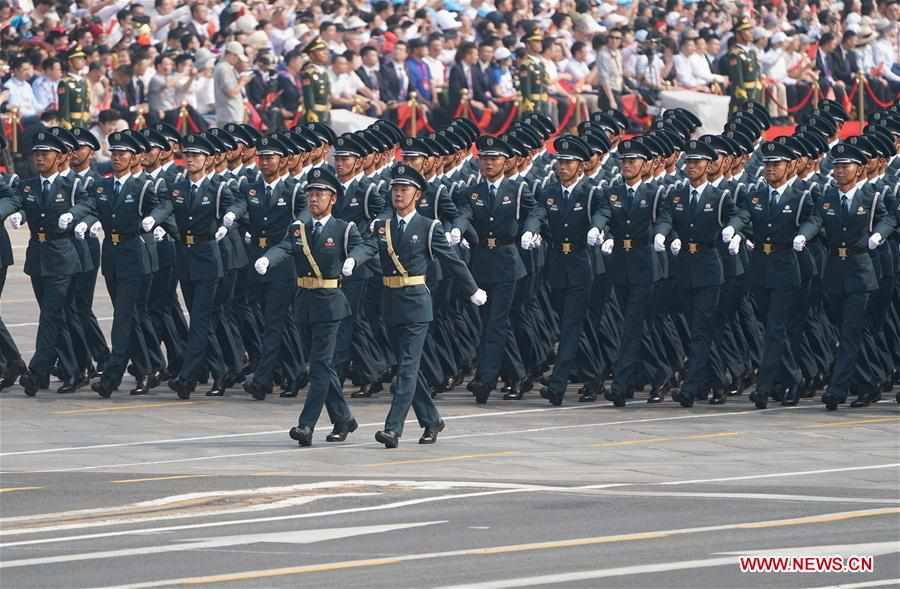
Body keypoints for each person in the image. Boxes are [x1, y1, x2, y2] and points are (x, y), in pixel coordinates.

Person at [355, 164, 486, 448]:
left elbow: (452, 261)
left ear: (417, 194)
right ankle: (431, 420)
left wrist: (472, 289)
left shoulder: (429, 227)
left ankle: (393, 428)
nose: (398, 194)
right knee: (405, 367)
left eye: (404, 190)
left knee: (406, 368)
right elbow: (367, 247)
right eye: (395, 189)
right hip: (390, 304)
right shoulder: (382, 226)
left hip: (416, 305)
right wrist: (353, 259)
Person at [255, 167, 367, 446]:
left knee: (318, 367)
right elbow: (284, 248)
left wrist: (353, 260)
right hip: (304, 303)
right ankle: (343, 419)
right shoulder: (299, 229)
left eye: (320, 194)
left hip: (330, 304)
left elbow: (363, 247)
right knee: (322, 366)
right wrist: (268, 259)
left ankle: (306, 425)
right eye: (311, 194)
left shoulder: (344, 229)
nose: (314, 199)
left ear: (332, 199)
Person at [796, 142, 894, 410]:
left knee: (851, 333)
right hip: (835, 273)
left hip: (861, 273)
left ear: (859, 169)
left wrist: (878, 234)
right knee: (848, 332)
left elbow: (889, 218)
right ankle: (870, 381)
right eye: (836, 166)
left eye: (845, 166)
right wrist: (803, 235)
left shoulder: (871, 197)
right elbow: (816, 219)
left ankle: (837, 391)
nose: (839, 171)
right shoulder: (828, 197)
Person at [0, 132, 92, 396]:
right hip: (39, 257)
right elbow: (15, 201)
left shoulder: (72, 184)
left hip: (63, 256)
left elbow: (90, 200)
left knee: (52, 316)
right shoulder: (29, 185)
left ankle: (38, 371)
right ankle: (74, 368)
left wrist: (74, 216)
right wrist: (16, 214)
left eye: (46, 154)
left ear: (61, 157)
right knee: (57, 317)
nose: (40, 158)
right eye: (37, 154)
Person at [522, 135, 610, 406]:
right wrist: (530, 230)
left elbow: (603, 211)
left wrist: (597, 228)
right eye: (560, 162)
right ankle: (594, 374)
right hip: (558, 265)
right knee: (574, 325)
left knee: (570, 327)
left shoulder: (592, 190)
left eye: (568, 162)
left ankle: (557, 386)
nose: (562, 167)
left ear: (580, 166)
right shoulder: (550, 191)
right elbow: (538, 213)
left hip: (583, 265)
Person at [87, 132, 171, 397]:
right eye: (113, 153)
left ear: (135, 158)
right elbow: (90, 206)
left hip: (136, 257)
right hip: (112, 256)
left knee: (123, 319)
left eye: (122, 154)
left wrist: (153, 220)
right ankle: (150, 367)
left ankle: (111, 379)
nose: (116, 158)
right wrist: (83, 218)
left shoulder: (145, 185)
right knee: (133, 317)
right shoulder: (104, 185)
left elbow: (165, 205)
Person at [166, 133, 243, 399]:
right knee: (201, 320)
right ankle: (220, 370)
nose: (190, 160)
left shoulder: (218, 187)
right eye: (187, 155)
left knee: (199, 319)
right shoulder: (179, 187)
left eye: (196, 156)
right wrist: (158, 223)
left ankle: (186, 378)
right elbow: (166, 208)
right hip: (184, 257)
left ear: (207, 159)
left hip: (208, 258)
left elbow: (238, 203)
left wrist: (230, 217)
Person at [463, 136, 535, 403]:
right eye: (484, 158)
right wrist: (459, 229)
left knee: (496, 322)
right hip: (481, 263)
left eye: (494, 159)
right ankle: (517, 375)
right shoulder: (472, 191)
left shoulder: (516, 190)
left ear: (506, 162)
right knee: (492, 323)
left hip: (507, 263)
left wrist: (531, 231)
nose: (489, 163)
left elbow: (535, 213)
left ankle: (485, 379)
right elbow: (463, 213)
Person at [601, 138, 671, 407]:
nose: (627, 166)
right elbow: (604, 213)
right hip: (621, 265)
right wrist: (603, 232)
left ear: (644, 164)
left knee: (631, 326)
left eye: (632, 161)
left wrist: (661, 236)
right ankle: (659, 373)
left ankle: (620, 385)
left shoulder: (654, 193)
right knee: (635, 328)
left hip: (645, 267)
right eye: (624, 162)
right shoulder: (613, 191)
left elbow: (664, 218)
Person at [213, 41, 249, 127]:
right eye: (237, 57)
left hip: (231, 115)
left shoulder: (226, 67)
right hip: (229, 116)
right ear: (232, 54)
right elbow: (231, 92)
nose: (238, 61)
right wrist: (242, 81)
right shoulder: (224, 69)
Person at [301, 37, 332, 125]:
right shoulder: (309, 74)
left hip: (325, 114)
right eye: (320, 51)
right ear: (311, 55)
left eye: (325, 50)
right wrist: (311, 112)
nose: (325, 53)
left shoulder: (324, 73)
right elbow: (309, 97)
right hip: (314, 115)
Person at [58, 47, 91, 129]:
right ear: (70, 62)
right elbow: (64, 107)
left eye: (83, 59)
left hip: (84, 122)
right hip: (72, 123)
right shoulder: (65, 83)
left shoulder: (84, 82)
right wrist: (66, 123)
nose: (82, 61)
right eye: (78, 59)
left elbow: (86, 104)